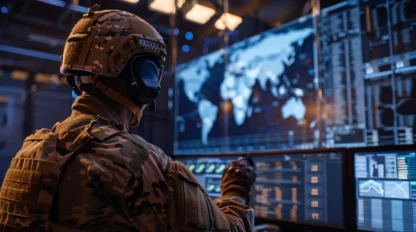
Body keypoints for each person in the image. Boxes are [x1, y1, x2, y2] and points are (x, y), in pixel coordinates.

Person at [0, 4, 256, 232]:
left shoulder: (30, 151)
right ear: (142, 78)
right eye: (153, 71)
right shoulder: (142, 164)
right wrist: (235, 190)